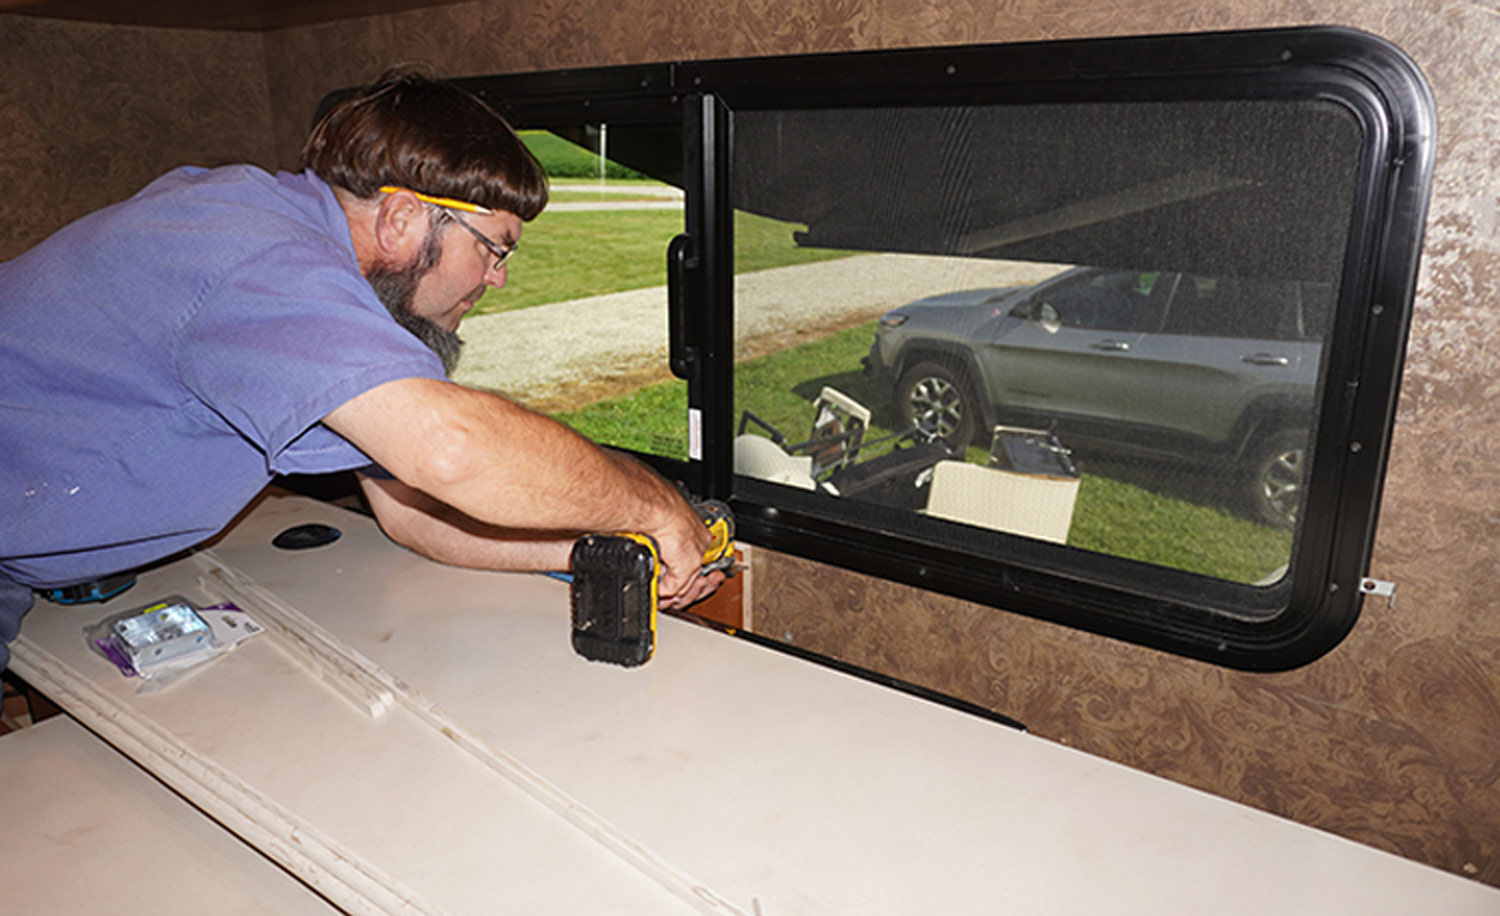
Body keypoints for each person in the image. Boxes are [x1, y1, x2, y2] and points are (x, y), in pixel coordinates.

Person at [0, 66, 722, 672]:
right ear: (403, 219)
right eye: (494, 248)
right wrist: (653, 508)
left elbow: (414, 516)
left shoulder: (285, 252)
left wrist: (609, 552)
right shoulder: (263, 261)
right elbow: (451, 450)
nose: (498, 278)